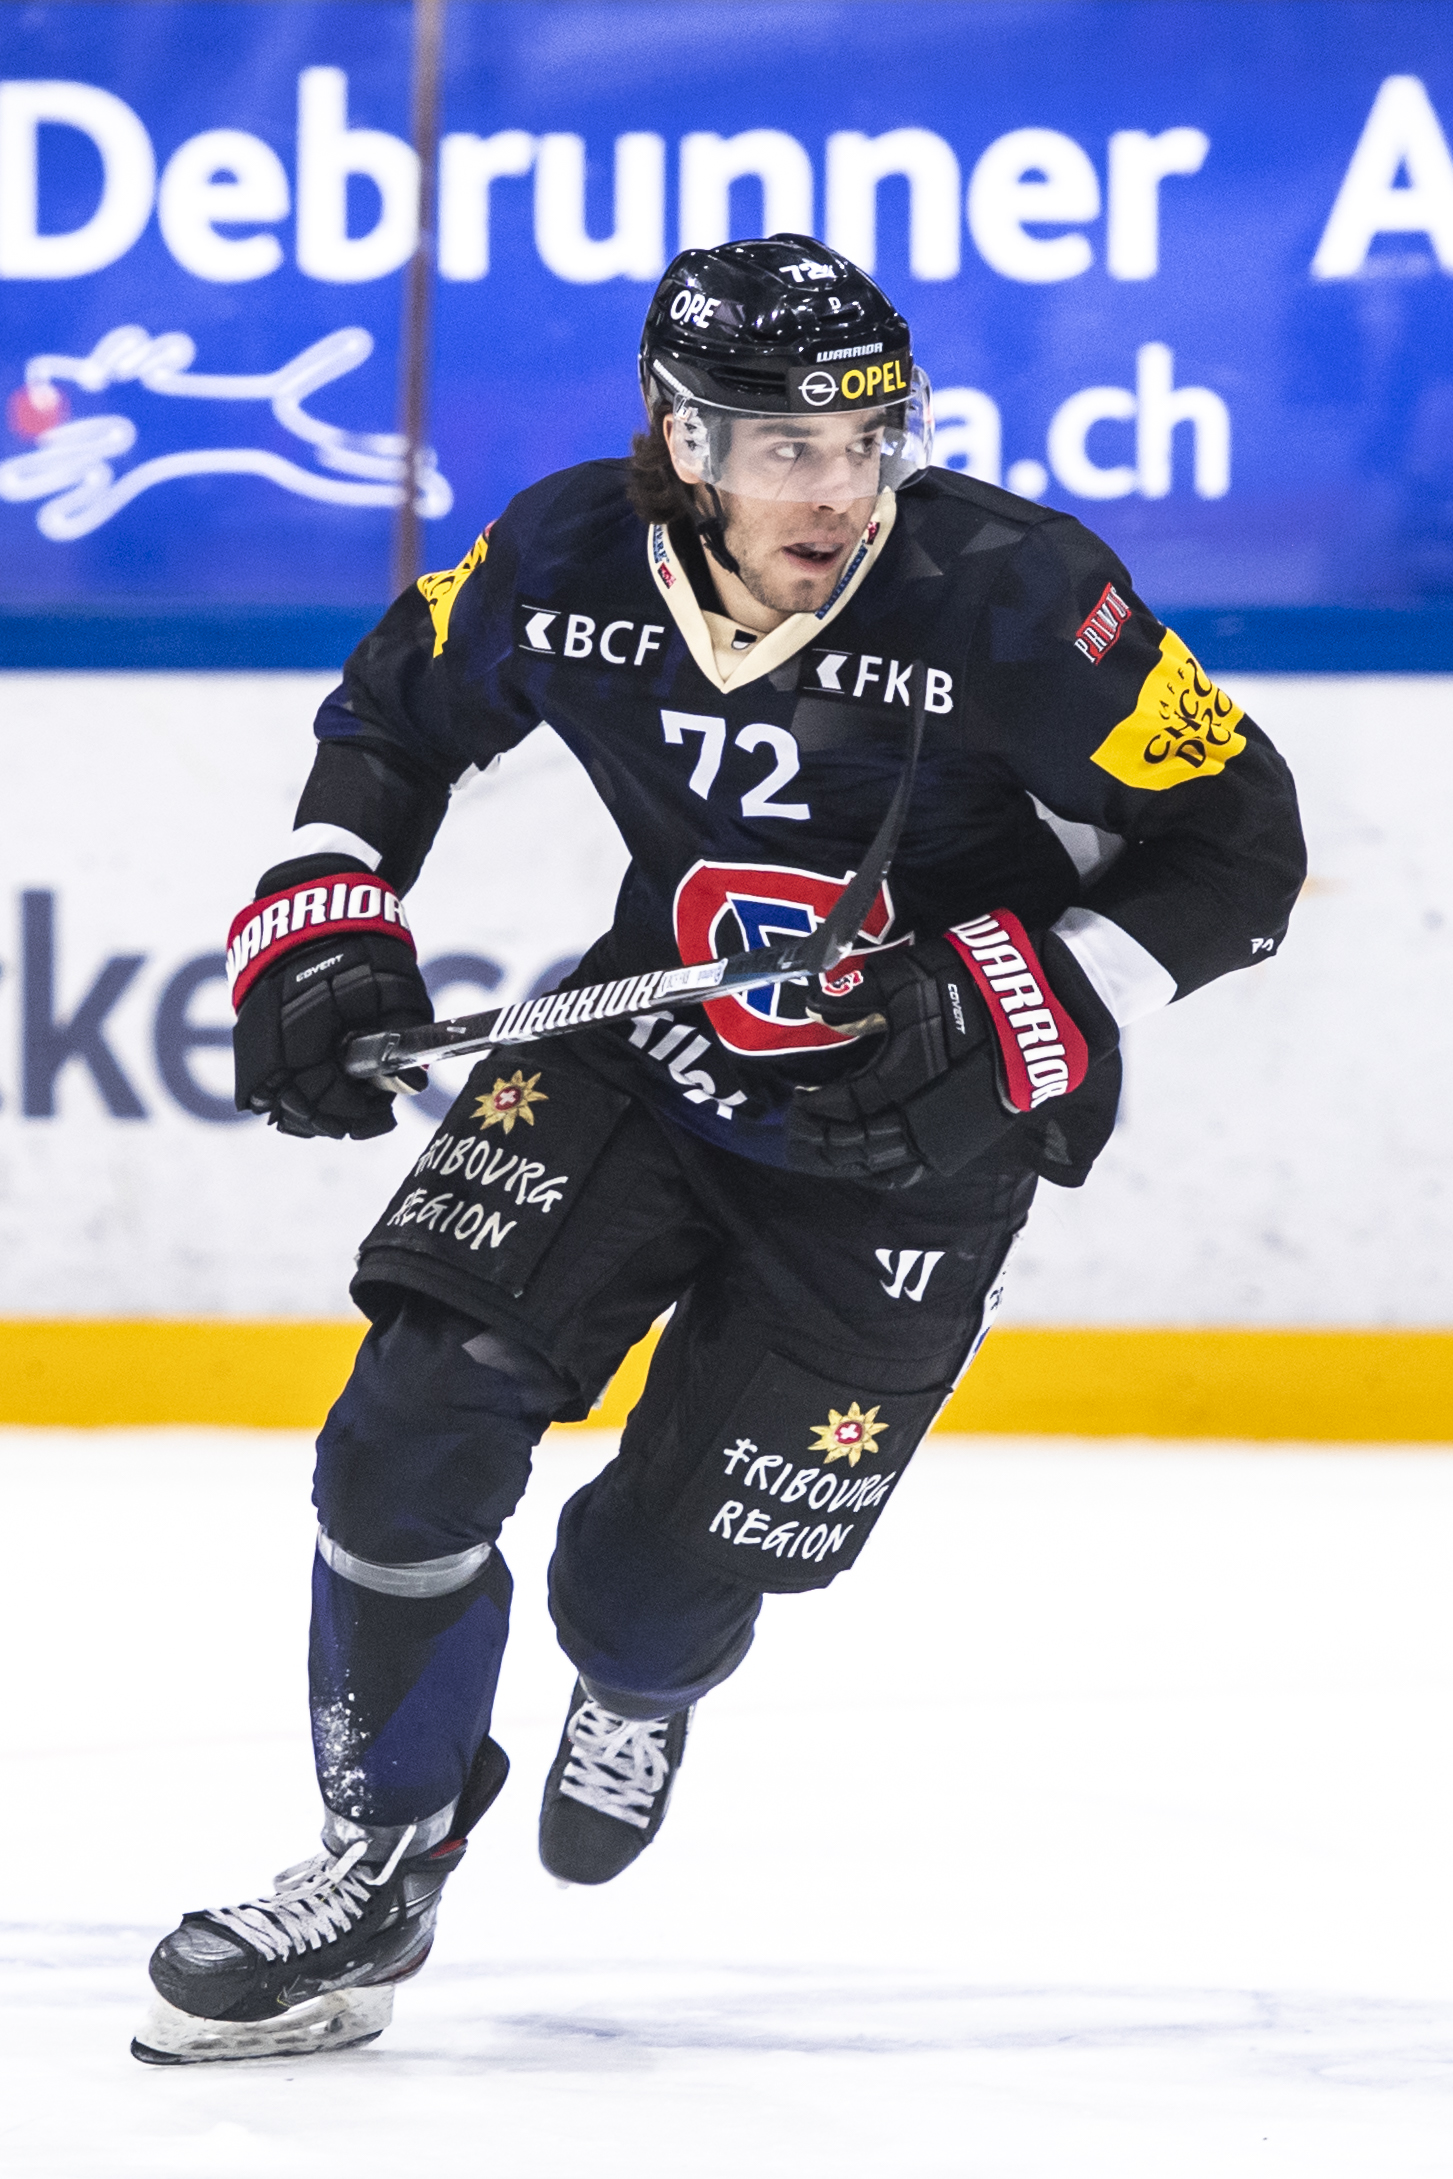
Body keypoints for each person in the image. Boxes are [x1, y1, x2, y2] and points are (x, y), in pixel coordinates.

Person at [133, 237, 1305, 2064]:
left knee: (643, 1594)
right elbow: (391, 719)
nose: (836, 490)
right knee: (406, 1433)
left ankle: (636, 1681)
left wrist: (1001, 993)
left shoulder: (1017, 595)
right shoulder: (565, 554)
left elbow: (1242, 852)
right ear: (681, 439)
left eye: (867, 441)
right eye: (785, 448)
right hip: (643, 1056)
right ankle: (379, 1861)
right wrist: (326, 905)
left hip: (916, 1137)